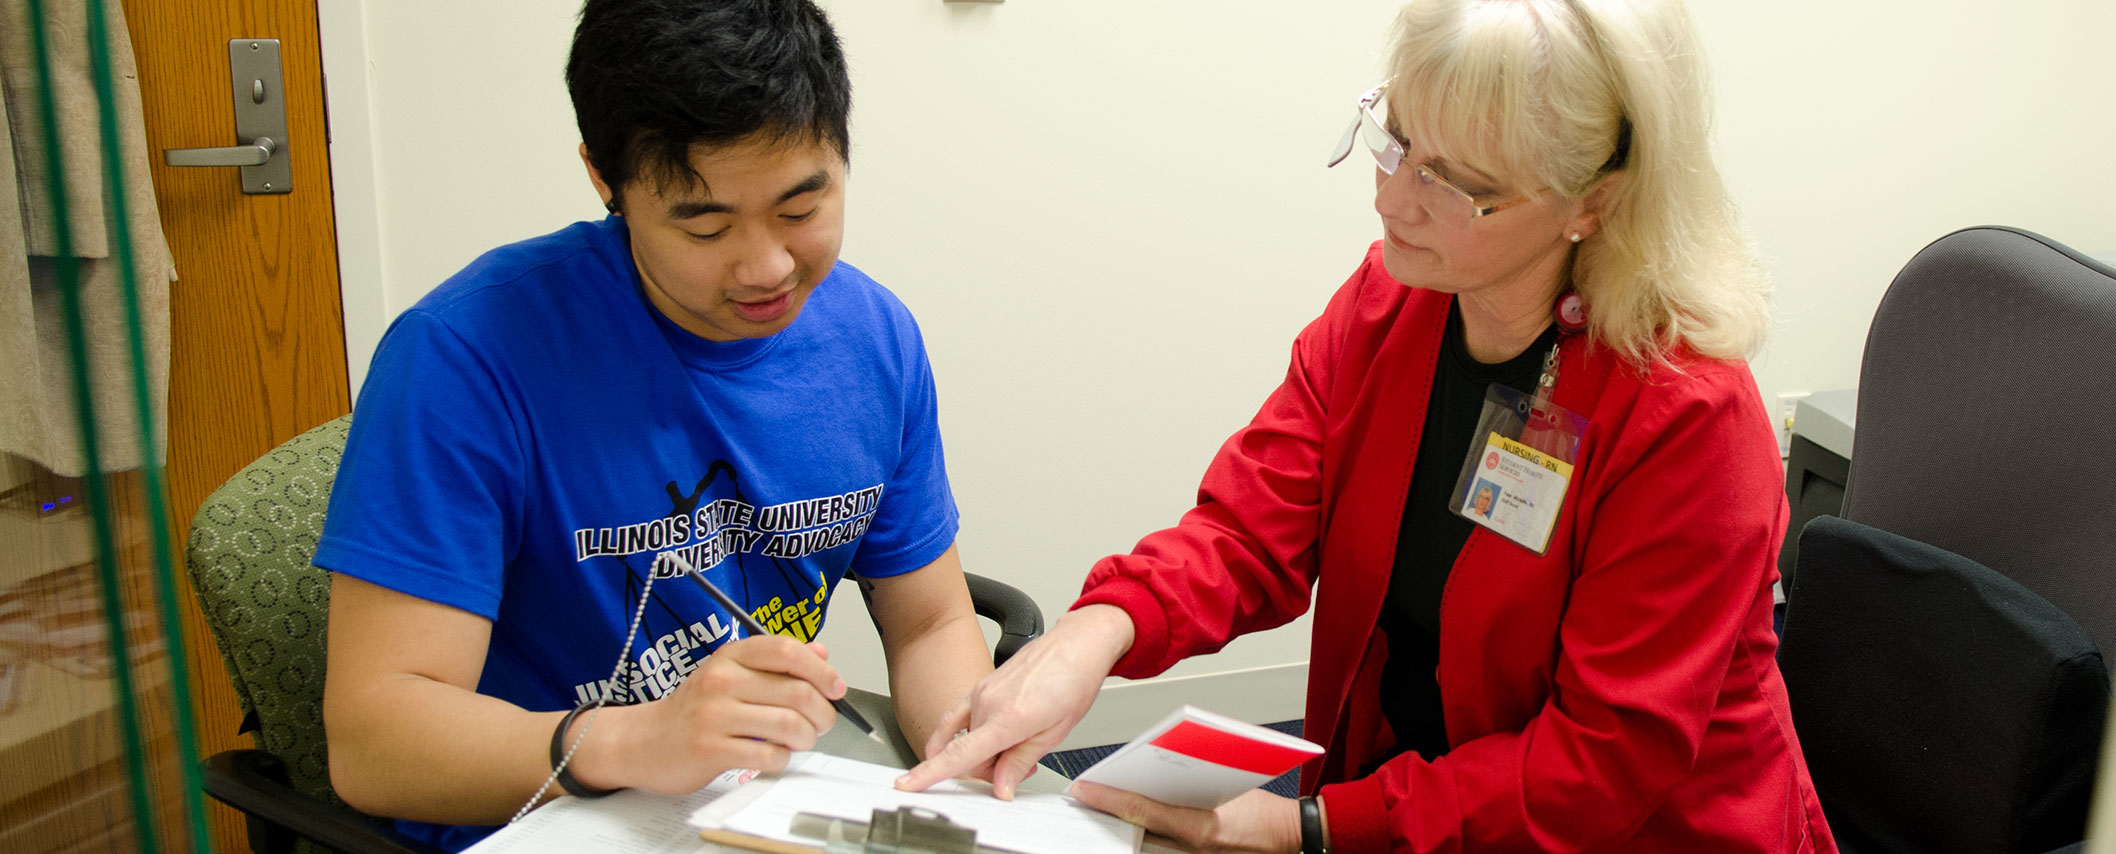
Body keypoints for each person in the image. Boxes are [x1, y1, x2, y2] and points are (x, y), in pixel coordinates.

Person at [897, 1, 1837, 851]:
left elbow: (1602, 762)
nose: (1390, 199)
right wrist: (1093, 635)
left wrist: (1311, 827)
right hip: (1410, 799)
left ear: (1595, 200)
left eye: (1454, 183)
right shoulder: (1397, 305)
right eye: (1395, 141)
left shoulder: (1688, 416)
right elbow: (1247, 531)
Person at [316, 1, 991, 849]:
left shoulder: (871, 338)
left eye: (800, 207)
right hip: (543, 821)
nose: (769, 267)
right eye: (704, 223)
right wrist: (633, 739)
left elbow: (930, 622)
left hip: (758, 807)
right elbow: (376, 745)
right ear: (606, 180)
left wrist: (965, 754)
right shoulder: (465, 356)